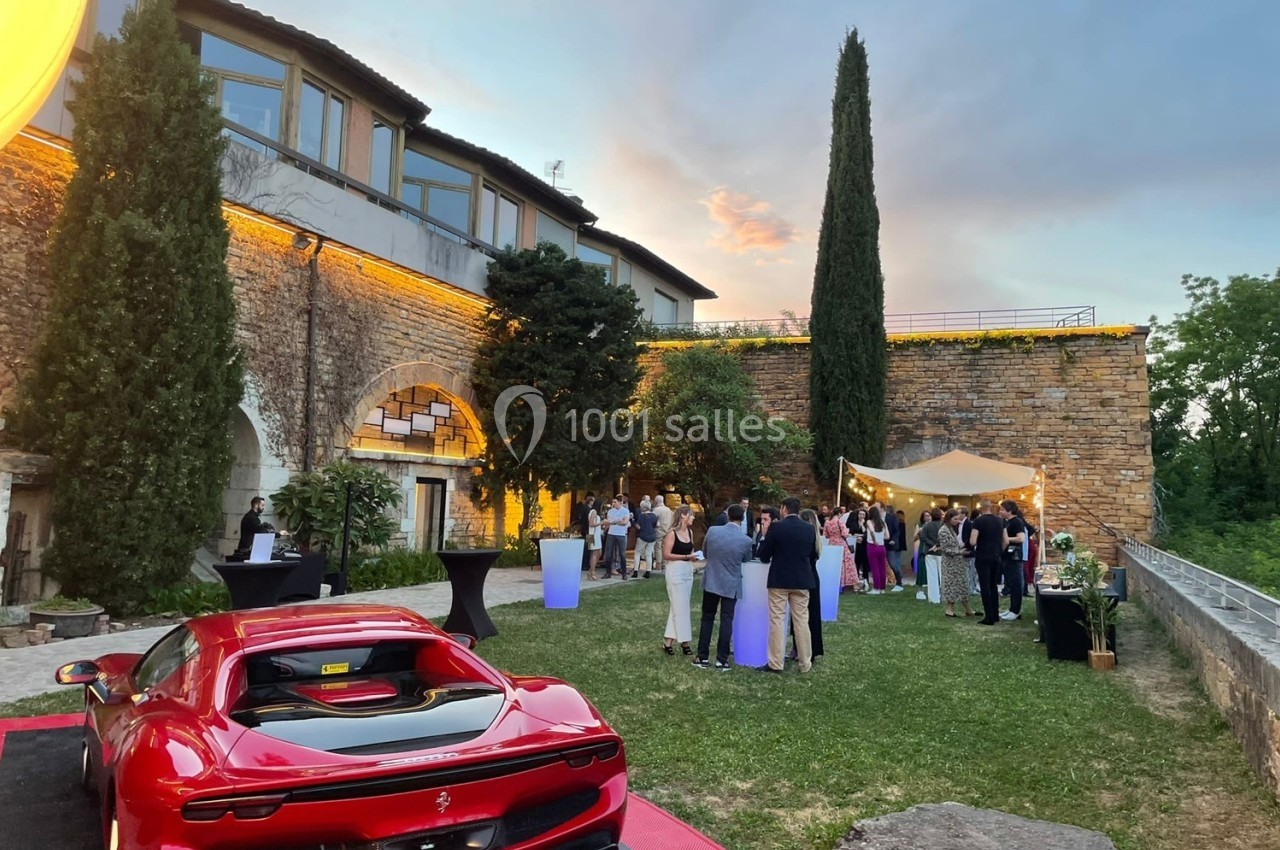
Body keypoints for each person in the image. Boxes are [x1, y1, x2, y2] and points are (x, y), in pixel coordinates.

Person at [755, 497, 817, 674]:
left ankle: (775, 663)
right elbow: (812, 554)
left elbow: (764, 555)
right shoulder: (809, 529)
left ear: (783, 509)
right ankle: (805, 663)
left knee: (777, 621)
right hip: (802, 580)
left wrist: (766, 536)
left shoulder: (777, 527)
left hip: (779, 580)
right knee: (801, 622)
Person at [693, 504, 754, 670]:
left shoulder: (713, 531)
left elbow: (705, 553)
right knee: (727, 620)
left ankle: (702, 657)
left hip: (712, 580)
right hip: (731, 584)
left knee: (707, 618)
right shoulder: (746, 540)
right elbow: (747, 559)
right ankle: (722, 659)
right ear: (741, 520)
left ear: (728, 516)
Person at [661, 505, 699, 655]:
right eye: (691, 515)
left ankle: (668, 641)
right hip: (675, 571)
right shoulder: (671, 533)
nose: (693, 518)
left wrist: (693, 556)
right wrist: (685, 557)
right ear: (683, 516)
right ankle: (685, 642)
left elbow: (690, 550)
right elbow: (666, 554)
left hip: (687, 571)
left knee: (678, 607)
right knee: (680, 606)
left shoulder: (689, 532)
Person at [970, 500, 1005, 625]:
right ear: (991, 508)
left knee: (984, 586)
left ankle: (988, 616)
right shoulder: (1000, 521)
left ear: (980, 508)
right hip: (996, 556)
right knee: (993, 585)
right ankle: (995, 614)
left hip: (983, 555)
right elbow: (1005, 540)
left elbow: (973, 541)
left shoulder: (978, 521)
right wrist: (999, 550)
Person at [797, 508, 825, 661]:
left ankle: (806, 650)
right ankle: (809, 649)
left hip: (806, 577)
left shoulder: (808, 538)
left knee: (805, 615)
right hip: (813, 577)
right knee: (811, 615)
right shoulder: (815, 538)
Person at [937, 508, 977, 617]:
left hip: (957, 563)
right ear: (949, 518)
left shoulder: (951, 529)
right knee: (951, 585)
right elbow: (945, 549)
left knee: (962, 585)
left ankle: (968, 609)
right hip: (950, 564)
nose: (957, 521)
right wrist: (959, 552)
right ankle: (949, 609)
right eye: (955, 519)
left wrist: (959, 550)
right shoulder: (943, 530)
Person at [999, 499, 1027, 620]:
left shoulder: (1017, 522)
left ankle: (1016, 611)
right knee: (1010, 582)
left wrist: (1006, 539)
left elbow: (1021, 538)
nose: (1000, 511)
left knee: (1016, 583)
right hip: (1007, 556)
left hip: (1014, 557)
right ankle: (1011, 609)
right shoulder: (1007, 522)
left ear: (1009, 511)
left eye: (1002, 509)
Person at [823, 506, 859, 592]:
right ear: (839, 513)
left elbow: (826, 535)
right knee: (844, 564)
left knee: (833, 564)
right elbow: (845, 534)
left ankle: (833, 583)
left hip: (831, 544)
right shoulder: (840, 522)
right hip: (841, 544)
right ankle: (843, 584)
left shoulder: (827, 522)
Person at [602, 495, 631, 579]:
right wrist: (617, 521)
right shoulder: (610, 511)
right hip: (611, 533)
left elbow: (625, 522)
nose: (613, 503)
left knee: (622, 554)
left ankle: (624, 573)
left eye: (615, 502)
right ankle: (608, 572)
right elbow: (608, 522)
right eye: (613, 502)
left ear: (620, 502)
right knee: (609, 554)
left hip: (621, 534)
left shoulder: (626, 511)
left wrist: (613, 522)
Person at [865, 507, 891, 593]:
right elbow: (887, 536)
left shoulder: (869, 522)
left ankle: (876, 588)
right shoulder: (883, 523)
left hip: (872, 546)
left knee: (874, 567)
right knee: (882, 567)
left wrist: (874, 540)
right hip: (882, 547)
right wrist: (880, 538)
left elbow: (872, 531)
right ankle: (882, 588)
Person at [632, 499, 659, 578]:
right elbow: (657, 525)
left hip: (643, 536)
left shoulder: (641, 516)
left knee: (637, 553)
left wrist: (633, 521)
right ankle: (648, 571)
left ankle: (636, 571)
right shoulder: (654, 515)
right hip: (652, 536)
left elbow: (639, 527)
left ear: (642, 507)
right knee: (648, 554)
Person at [652, 495, 673, 572]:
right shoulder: (669, 510)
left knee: (658, 547)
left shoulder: (656, 510)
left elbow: (653, 520)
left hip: (659, 530)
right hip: (667, 530)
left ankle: (659, 564)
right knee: (665, 547)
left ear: (656, 501)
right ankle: (665, 563)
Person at [585, 500, 603, 580]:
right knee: (595, 554)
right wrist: (602, 523)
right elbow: (591, 524)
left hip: (594, 534)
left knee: (598, 553)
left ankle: (591, 570)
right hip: (592, 535)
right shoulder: (594, 512)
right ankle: (592, 572)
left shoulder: (594, 512)